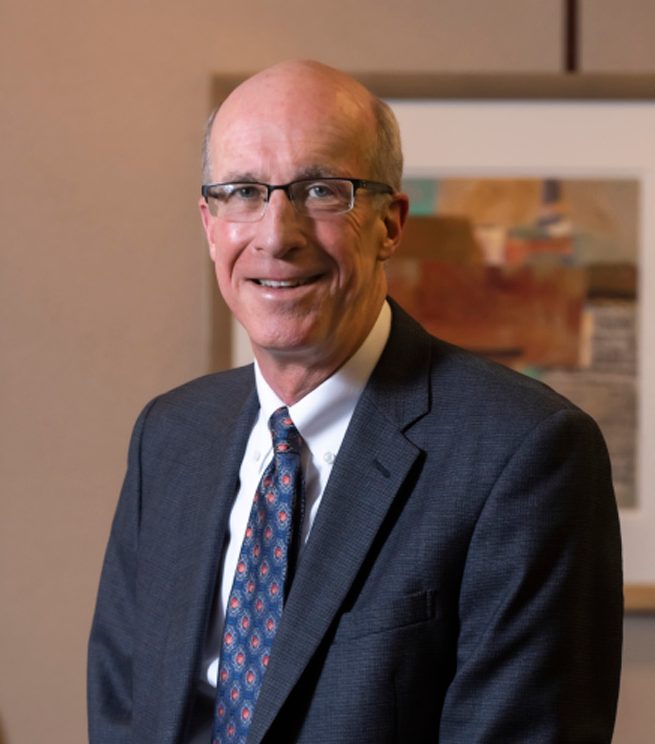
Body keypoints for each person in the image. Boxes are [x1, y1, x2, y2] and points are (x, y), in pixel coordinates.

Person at [88, 60, 623, 744]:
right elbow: (121, 712)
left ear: (390, 224)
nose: (277, 235)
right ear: (209, 222)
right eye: (244, 191)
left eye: (319, 190)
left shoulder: (525, 454)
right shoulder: (170, 436)